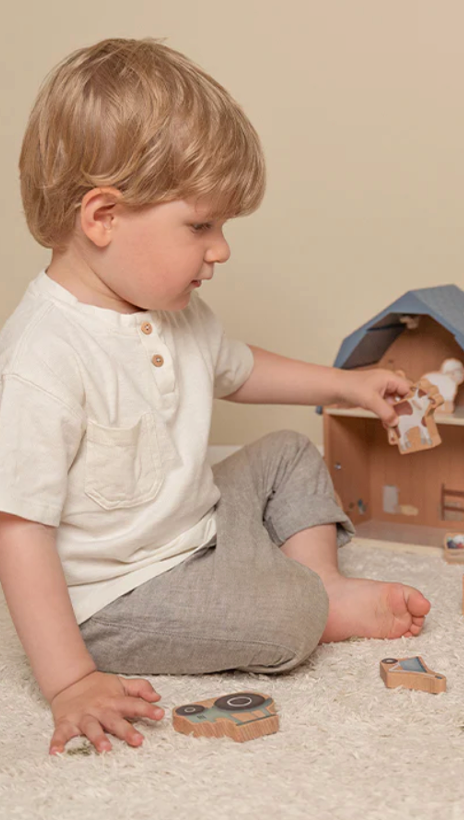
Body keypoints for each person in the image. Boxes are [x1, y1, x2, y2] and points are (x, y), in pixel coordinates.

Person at [0, 37, 431, 757]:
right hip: (119, 595)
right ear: (102, 217)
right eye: (201, 226)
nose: (221, 249)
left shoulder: (167, 307)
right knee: (286, 620)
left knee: (291, 451)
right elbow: (19, 531)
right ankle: (311, 600)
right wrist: (71, 678)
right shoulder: (43, 359)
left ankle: (318, 577)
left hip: (189, 521)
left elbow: (236, 369)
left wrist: (343, 384)